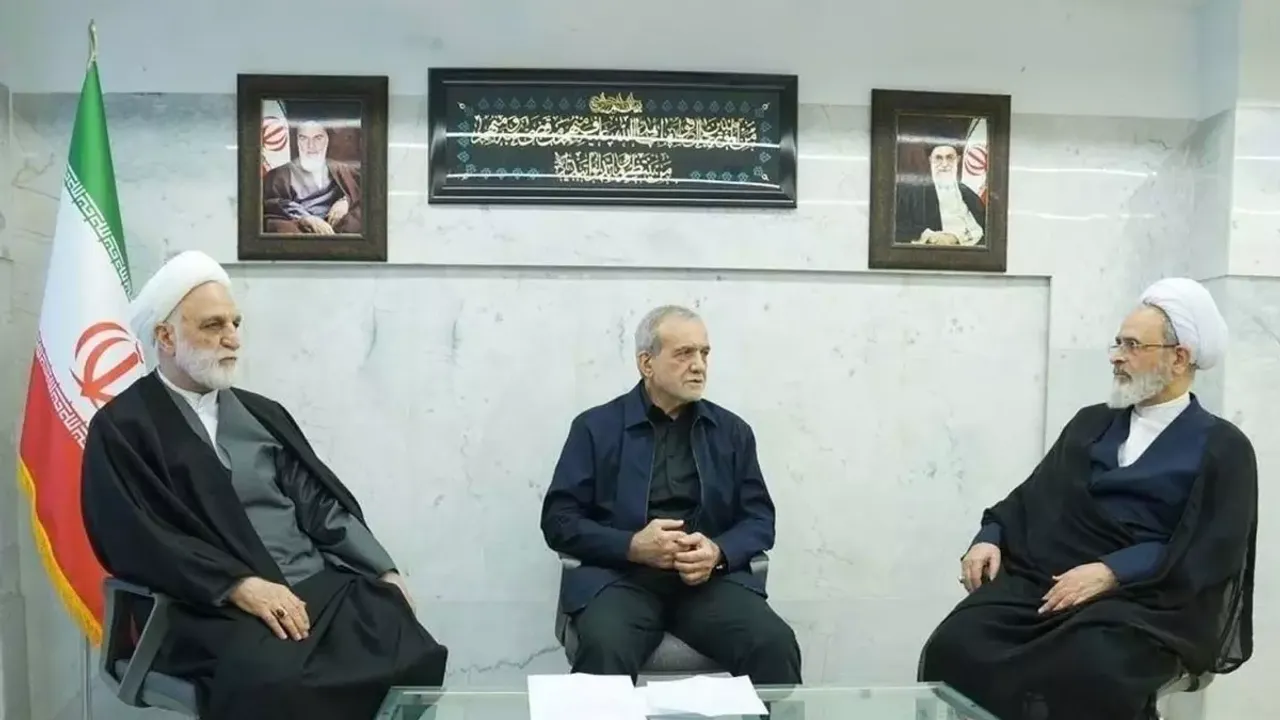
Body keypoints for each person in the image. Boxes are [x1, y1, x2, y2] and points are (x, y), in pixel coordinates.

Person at [80, 250, 447, 720]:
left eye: (235, 323)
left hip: (314, 587)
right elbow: (137, 538)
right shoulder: (124, 427)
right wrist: (237, 585)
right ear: (166, 337)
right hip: (209, 605)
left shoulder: (262, 414)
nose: (232, 338)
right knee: (281, 685)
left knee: (408, 647)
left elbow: (320, 508)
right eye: (213, 325)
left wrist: (382, 568)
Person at [919, 278, 1257, 720]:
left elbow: (1209, 552)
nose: (1116, 356)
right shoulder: (1090, 423)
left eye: (1132, 345)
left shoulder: (1223, 447)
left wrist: (1113, 572)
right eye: (1117, 343)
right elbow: (1031, 498)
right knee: (958, 643)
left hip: (1147, 601)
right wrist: (990, 536)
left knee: (1091, 667)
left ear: (1179, 358)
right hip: (1047, 582)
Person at [541, 305, 802, 684]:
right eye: (684, 353)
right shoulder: (595, 428)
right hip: (620, 580)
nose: (699, 366)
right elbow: (559, 521)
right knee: (604, 648)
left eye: (704, 353)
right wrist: (632, 546)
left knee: (774, 644)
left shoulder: (731, 432)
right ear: (646, 363)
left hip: (707, 585)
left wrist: (718, 552)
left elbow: (760, 520)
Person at [262, 119, 362, 234]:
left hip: (337, 227)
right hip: (300, 230)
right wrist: (306, 218)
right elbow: (270, 204)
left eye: (318, 138)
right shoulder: (279, 174)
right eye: (303, 138)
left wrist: (345, 201)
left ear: (327, 140)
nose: (310, 146)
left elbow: (363, 193)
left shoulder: (342, 170)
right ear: (297, 141)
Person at [894, 142, 986, 246]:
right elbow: (897, 227)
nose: (944, 164)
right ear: (930, 160)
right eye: (938, 158)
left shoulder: (968, 194)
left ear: (958, 160)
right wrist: (928, 236)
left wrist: (956, 238)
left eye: (950, 158)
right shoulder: (912, 194)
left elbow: (984, 230)